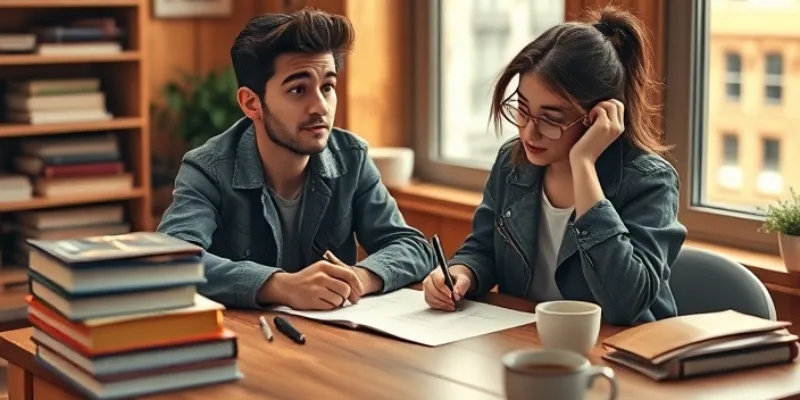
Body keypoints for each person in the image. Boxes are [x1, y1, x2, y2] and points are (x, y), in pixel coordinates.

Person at [422, 5, 687, 326]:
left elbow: (625, 304)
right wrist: (460, 273)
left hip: (616, 355)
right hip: (526, 340)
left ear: (598, 116)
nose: (529, 131)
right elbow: (484, 247)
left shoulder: (649, 181)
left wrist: (584, 165)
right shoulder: (512, 162)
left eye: (551, 118)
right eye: (522, 108)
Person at [158, 7, 434, 311]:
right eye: (298, 89)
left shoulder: (352, 159)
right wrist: (279, 285)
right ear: (252, 103)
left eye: (327, 87)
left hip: (333, 340)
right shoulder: (208, 169)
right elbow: (174, 259)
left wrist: (358, 278)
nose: (321, 107)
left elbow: (413, 247)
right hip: (252, 342)